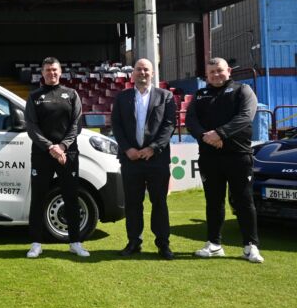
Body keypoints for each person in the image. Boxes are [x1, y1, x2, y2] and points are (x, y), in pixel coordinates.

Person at [185, 57, 264, 263]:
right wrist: (206, 137)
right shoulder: (200, 94)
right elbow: (191, 121)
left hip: (238, 156)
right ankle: (214, 244)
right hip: (210, 158)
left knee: (244, 201)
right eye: (212, 73)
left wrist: (220, 134)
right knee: (213, 202)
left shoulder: (243, 90)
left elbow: (245, 116)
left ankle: (250, 246)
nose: (216, 75)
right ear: (207, 75)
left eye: (219, 71)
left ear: (228, 70)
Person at [111, 58, 176, 260]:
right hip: (130, 159)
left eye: (146, 69)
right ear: (133, 74)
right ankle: (134, 241)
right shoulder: (122, 97)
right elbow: (117, 126)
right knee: (133, 203)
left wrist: (153, 148)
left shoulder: (165, 96)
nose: (142, 73)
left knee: (159, 202)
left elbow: (169, 125)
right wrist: (127, 148)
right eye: (138, 69)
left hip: (156, 159)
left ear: (153, 73)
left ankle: (163, 244)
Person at [24, 57, 89, 258]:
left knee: (71, 197)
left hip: (67, 154)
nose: (51, 73)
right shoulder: (34, 97)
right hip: (42, 154)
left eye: (54, 70)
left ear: (60, 72)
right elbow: (31, 127)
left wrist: (62, 147)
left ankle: (75, 242)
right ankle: (36, 243)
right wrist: (50, 147)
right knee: (38, 198)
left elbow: (76, 125)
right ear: (42, 73)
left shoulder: (71, 94)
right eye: (47, 70)